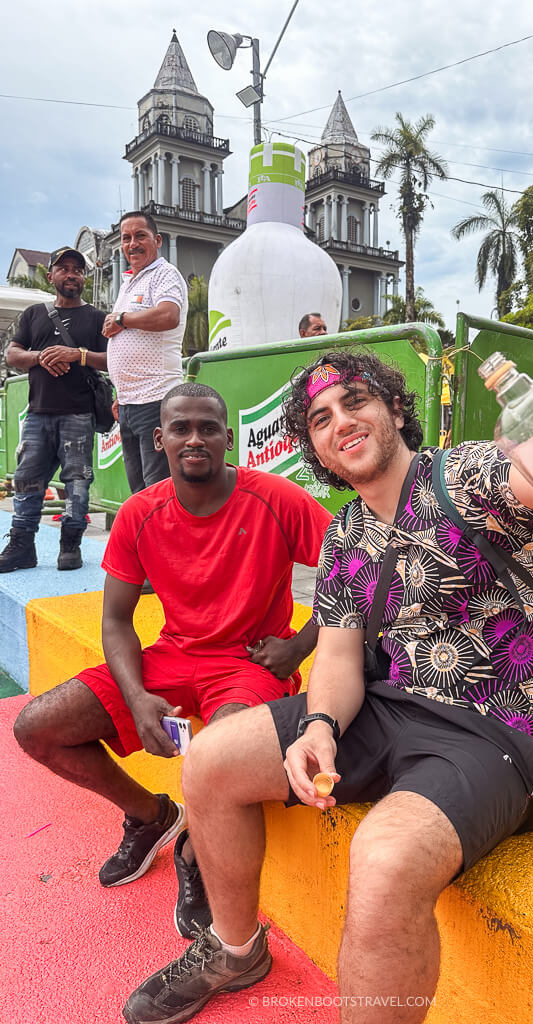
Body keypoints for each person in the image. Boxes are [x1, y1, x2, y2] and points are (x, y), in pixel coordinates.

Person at [123, 349, 533, 1024]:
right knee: (209, 760)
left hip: (493, 727)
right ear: (313, 445)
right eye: (319, 417)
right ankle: (234, 948)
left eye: (355, 400)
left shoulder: (463, 475)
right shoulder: (344, 533)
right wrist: (318, 727)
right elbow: (341, 659)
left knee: (381, 859)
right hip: (386, 707)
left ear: (394, 408)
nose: (340, 421)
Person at [13, 381, 331, 940]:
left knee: (221, 757)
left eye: (209, 427)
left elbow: (354, 572)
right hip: (173, 656)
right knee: (37, 727)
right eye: (180, 428)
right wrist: (135, 698)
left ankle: (195, 854)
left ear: (228, 438)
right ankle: (152, 817)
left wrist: (299, 644)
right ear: (158, 438)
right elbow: (115, 620)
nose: (195, 439)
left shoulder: (275, 498)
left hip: (251, 664)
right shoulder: (140, 513)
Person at [0, 247, 108, 573]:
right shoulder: (35, 314)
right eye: (64, 269)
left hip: (78, 413)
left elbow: (114, 359)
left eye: (77, 269)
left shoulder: (97, 318)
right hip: (37, 413)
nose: (71, 274)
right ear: (52, 277)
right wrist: (43, 356)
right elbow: (12, 355)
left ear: (84, 278)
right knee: (26, 480)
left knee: (77, 481)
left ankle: (70, 545)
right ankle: (21, 546)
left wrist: (77, 354)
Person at [102, 211, 188, 494]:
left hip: (156, 401)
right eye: (126, 238)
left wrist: (122, 319)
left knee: (158, 491)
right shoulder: (129, 282)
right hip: (129, 404)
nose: (132, 244)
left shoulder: (164, 273)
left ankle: (163, 540)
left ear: (158, 240)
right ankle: (144, 540)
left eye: (141, 235)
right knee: (140, 493)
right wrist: (120, 392)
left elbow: (168, 315)